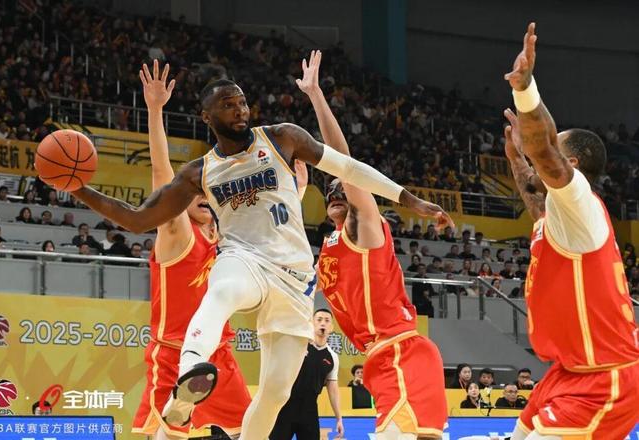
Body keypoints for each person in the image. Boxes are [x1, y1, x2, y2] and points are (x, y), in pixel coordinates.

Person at [69, 60, 450, 438]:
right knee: (223, 291)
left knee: (275, 394)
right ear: (207, 117)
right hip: (244, 259)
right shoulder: (199, 172)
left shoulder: (282, 137)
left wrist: (411, 200)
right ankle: (190, 373)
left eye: (242, 102)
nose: (239, 109)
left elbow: (349, 168)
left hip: (295, 281)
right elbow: (138, 219)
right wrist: (77, 188)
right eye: (228, 104)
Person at [302, 51, 451, 439]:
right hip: (380, 357)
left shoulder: (364, 227)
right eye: (329, 189)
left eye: (342, 186)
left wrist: (317, 97)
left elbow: (344, 162)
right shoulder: (328, 245)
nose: (335, 190)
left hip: (402, 350)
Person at [504, 23, 639, 440]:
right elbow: (535, 199)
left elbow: (543, 150)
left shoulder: (579, 201)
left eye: (552, 150)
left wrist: (525, 91)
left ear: (573, 166)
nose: (539, 155)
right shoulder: (558, 217)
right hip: (568, 371)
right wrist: (517, 161)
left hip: (604, 378)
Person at [131, 61, 250, 440]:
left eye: (205, 189)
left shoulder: (224, 239)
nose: (200, 193)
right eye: (192, 190)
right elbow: (161, 176)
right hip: (174, 353)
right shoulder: (177, 233)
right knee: (166, 434)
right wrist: (154, 111)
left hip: (219, 353)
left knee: (251, 430)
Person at [269, 309, 344, 439]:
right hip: (286, 407)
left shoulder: (332, 357)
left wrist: (339, 418)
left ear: (331, 327)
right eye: (319, 320)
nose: (323, 323)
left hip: (309, 411)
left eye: (327, 321)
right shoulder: (298, 345)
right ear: (312, 323)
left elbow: (333, 390)